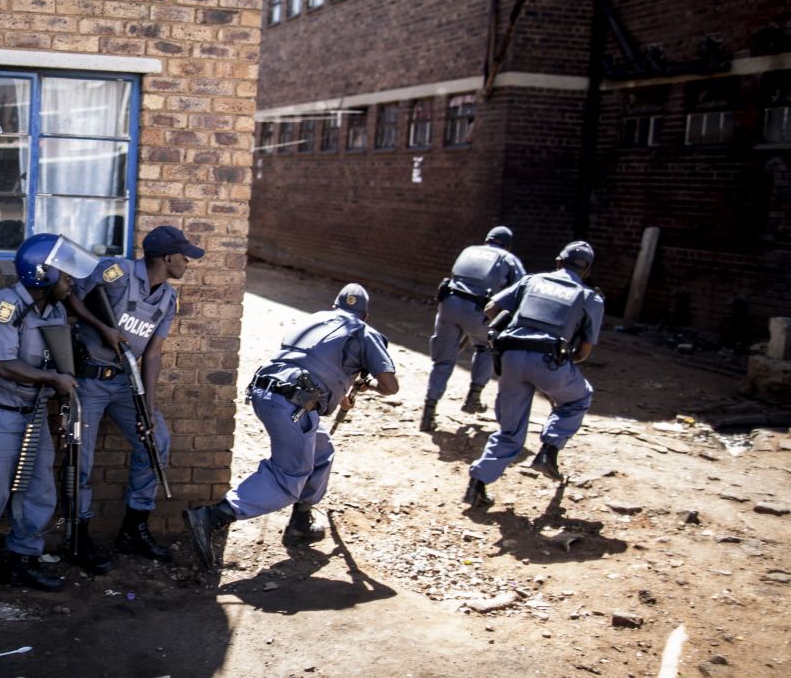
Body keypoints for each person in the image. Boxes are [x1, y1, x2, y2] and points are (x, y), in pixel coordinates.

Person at [183, 284, 399, 569]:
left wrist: (341, 391)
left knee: (321, 450)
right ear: (365, 315)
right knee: (289, 475)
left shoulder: (317, 320)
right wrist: (367, 384)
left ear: (335, 307)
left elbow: (314, 363)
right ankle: (214, 515)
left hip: (267, 390)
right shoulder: (363, 332)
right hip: (293, 406)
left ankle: (301, 521)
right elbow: (390, 386)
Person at [0, 233, 97, 601]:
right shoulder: (5, 305)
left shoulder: (54, 311)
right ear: (42, 275)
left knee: (40, 492)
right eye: (66, 276)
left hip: (34, 417)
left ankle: (23, 558)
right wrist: (53, 379)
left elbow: (60, 366)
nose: (72, 283)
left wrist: (64, 402)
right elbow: (3, 366)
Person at [63, 225, 203, 571]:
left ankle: (134, 528)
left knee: (156, 441)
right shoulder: (117, 271)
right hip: (89, 380)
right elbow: (70, 295)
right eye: (183, 255)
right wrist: (102, 327)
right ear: (166, 258)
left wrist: (148, 409)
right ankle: (78, 536)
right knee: (81, 458)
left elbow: (153, 353)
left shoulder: (169, 298)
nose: (188, 261)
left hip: (127, 382)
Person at [463, 241, 605, 508]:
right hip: (551, 359)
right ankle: (548, 450)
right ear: (586, 271)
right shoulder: (590, 297)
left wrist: (513, 328)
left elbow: (490, 308)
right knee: (578, 397)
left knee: (510, 429)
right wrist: (563, 361)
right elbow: (584, 352)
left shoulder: (532, 280)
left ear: (558, 261)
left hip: (511, 357)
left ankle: (476, 486)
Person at [421, 226, 526, 432]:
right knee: (485, 348)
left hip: (448, 304)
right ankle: (473, 397)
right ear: (508, 245)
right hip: (479, 310)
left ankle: (428, 412)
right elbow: (521, 289)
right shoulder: (508, 258)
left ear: (487, 239)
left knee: (443, 360)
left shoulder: (469, 251)